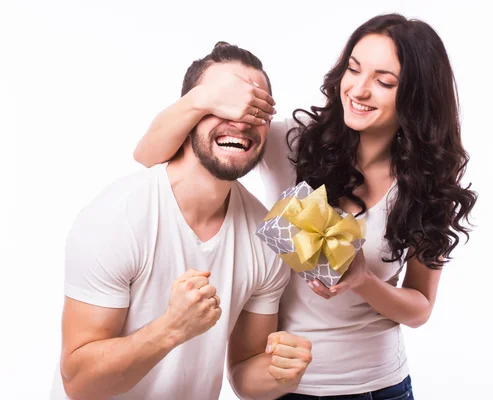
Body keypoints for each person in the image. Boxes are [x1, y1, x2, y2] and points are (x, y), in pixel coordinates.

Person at [134, 13, 477, 400]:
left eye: (383, 82)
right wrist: (202, 98)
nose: (358, 90)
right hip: (284, 383)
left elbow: (420, 308)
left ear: (416, 97)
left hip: (383, 386)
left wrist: (364, 282)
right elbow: (149, 157)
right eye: (353, 69)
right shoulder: (295, 144)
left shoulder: (428, 187)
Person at [50, 42, 313, 400]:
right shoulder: (118, 218)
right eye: (224, 104)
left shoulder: (266, 238)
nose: (241, 120)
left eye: (256, 111)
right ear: (190, 113)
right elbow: (79, 384)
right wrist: (171, 328)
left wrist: (281, 373)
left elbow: (243, 373)